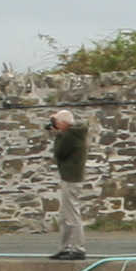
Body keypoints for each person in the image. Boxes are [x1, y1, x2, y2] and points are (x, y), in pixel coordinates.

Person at [44, 110, 90, 260]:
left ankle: (78, 248)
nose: (55, 126)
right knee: (65, 215)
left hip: (71, 178)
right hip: (70, 177)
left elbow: (59, 153)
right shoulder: (74, 133)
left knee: (72, 214)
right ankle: (65, 247)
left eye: (57, 123)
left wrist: (57, 135)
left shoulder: (70, 136)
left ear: (63, 123)